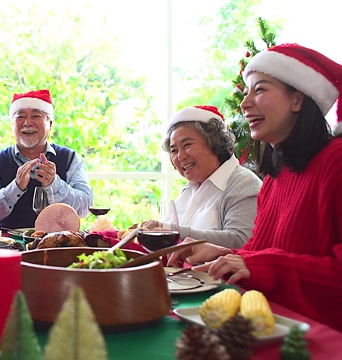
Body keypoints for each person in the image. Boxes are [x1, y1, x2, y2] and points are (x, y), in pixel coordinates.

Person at [168, 43, 342, 332]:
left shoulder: (336, 162)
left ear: (298, 98)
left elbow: (272, 265)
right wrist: (222, 253)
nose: (244, 103)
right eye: (246, 91)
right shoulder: (276, 177)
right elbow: (259, 253)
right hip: (271, 328)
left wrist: (260, 266)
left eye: (259, 90)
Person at [0, 89, 93, 229]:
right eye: (20, 116)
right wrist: (14, 188)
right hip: (5, 246)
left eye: (35, 116)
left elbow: (85, 208)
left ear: (50, 123)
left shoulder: (71, 159)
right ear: (12, 124)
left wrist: (54, 184)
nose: (27, 123)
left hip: (57, 245)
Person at [142, 105, 261, 248]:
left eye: (187, 145)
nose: (180, 156)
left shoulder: (243, 184)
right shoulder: (190, 188)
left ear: (214, 143)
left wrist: (171, 230)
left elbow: (241, 241)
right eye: (174, 150)